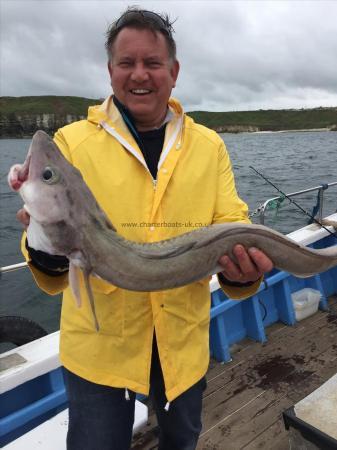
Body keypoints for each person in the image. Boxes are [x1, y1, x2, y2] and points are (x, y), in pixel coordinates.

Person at [18, 7, 273, 450]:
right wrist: (41, 246)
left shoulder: (208, 146)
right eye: (126, 63)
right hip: (100, 350)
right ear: (110, 71)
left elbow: (233, 225)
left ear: (173, 72)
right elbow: (55, 272)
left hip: (182, 340)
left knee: (183, 441)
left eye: (152, 63)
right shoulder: (72, 143)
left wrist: (242, 273)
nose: (140, 75)